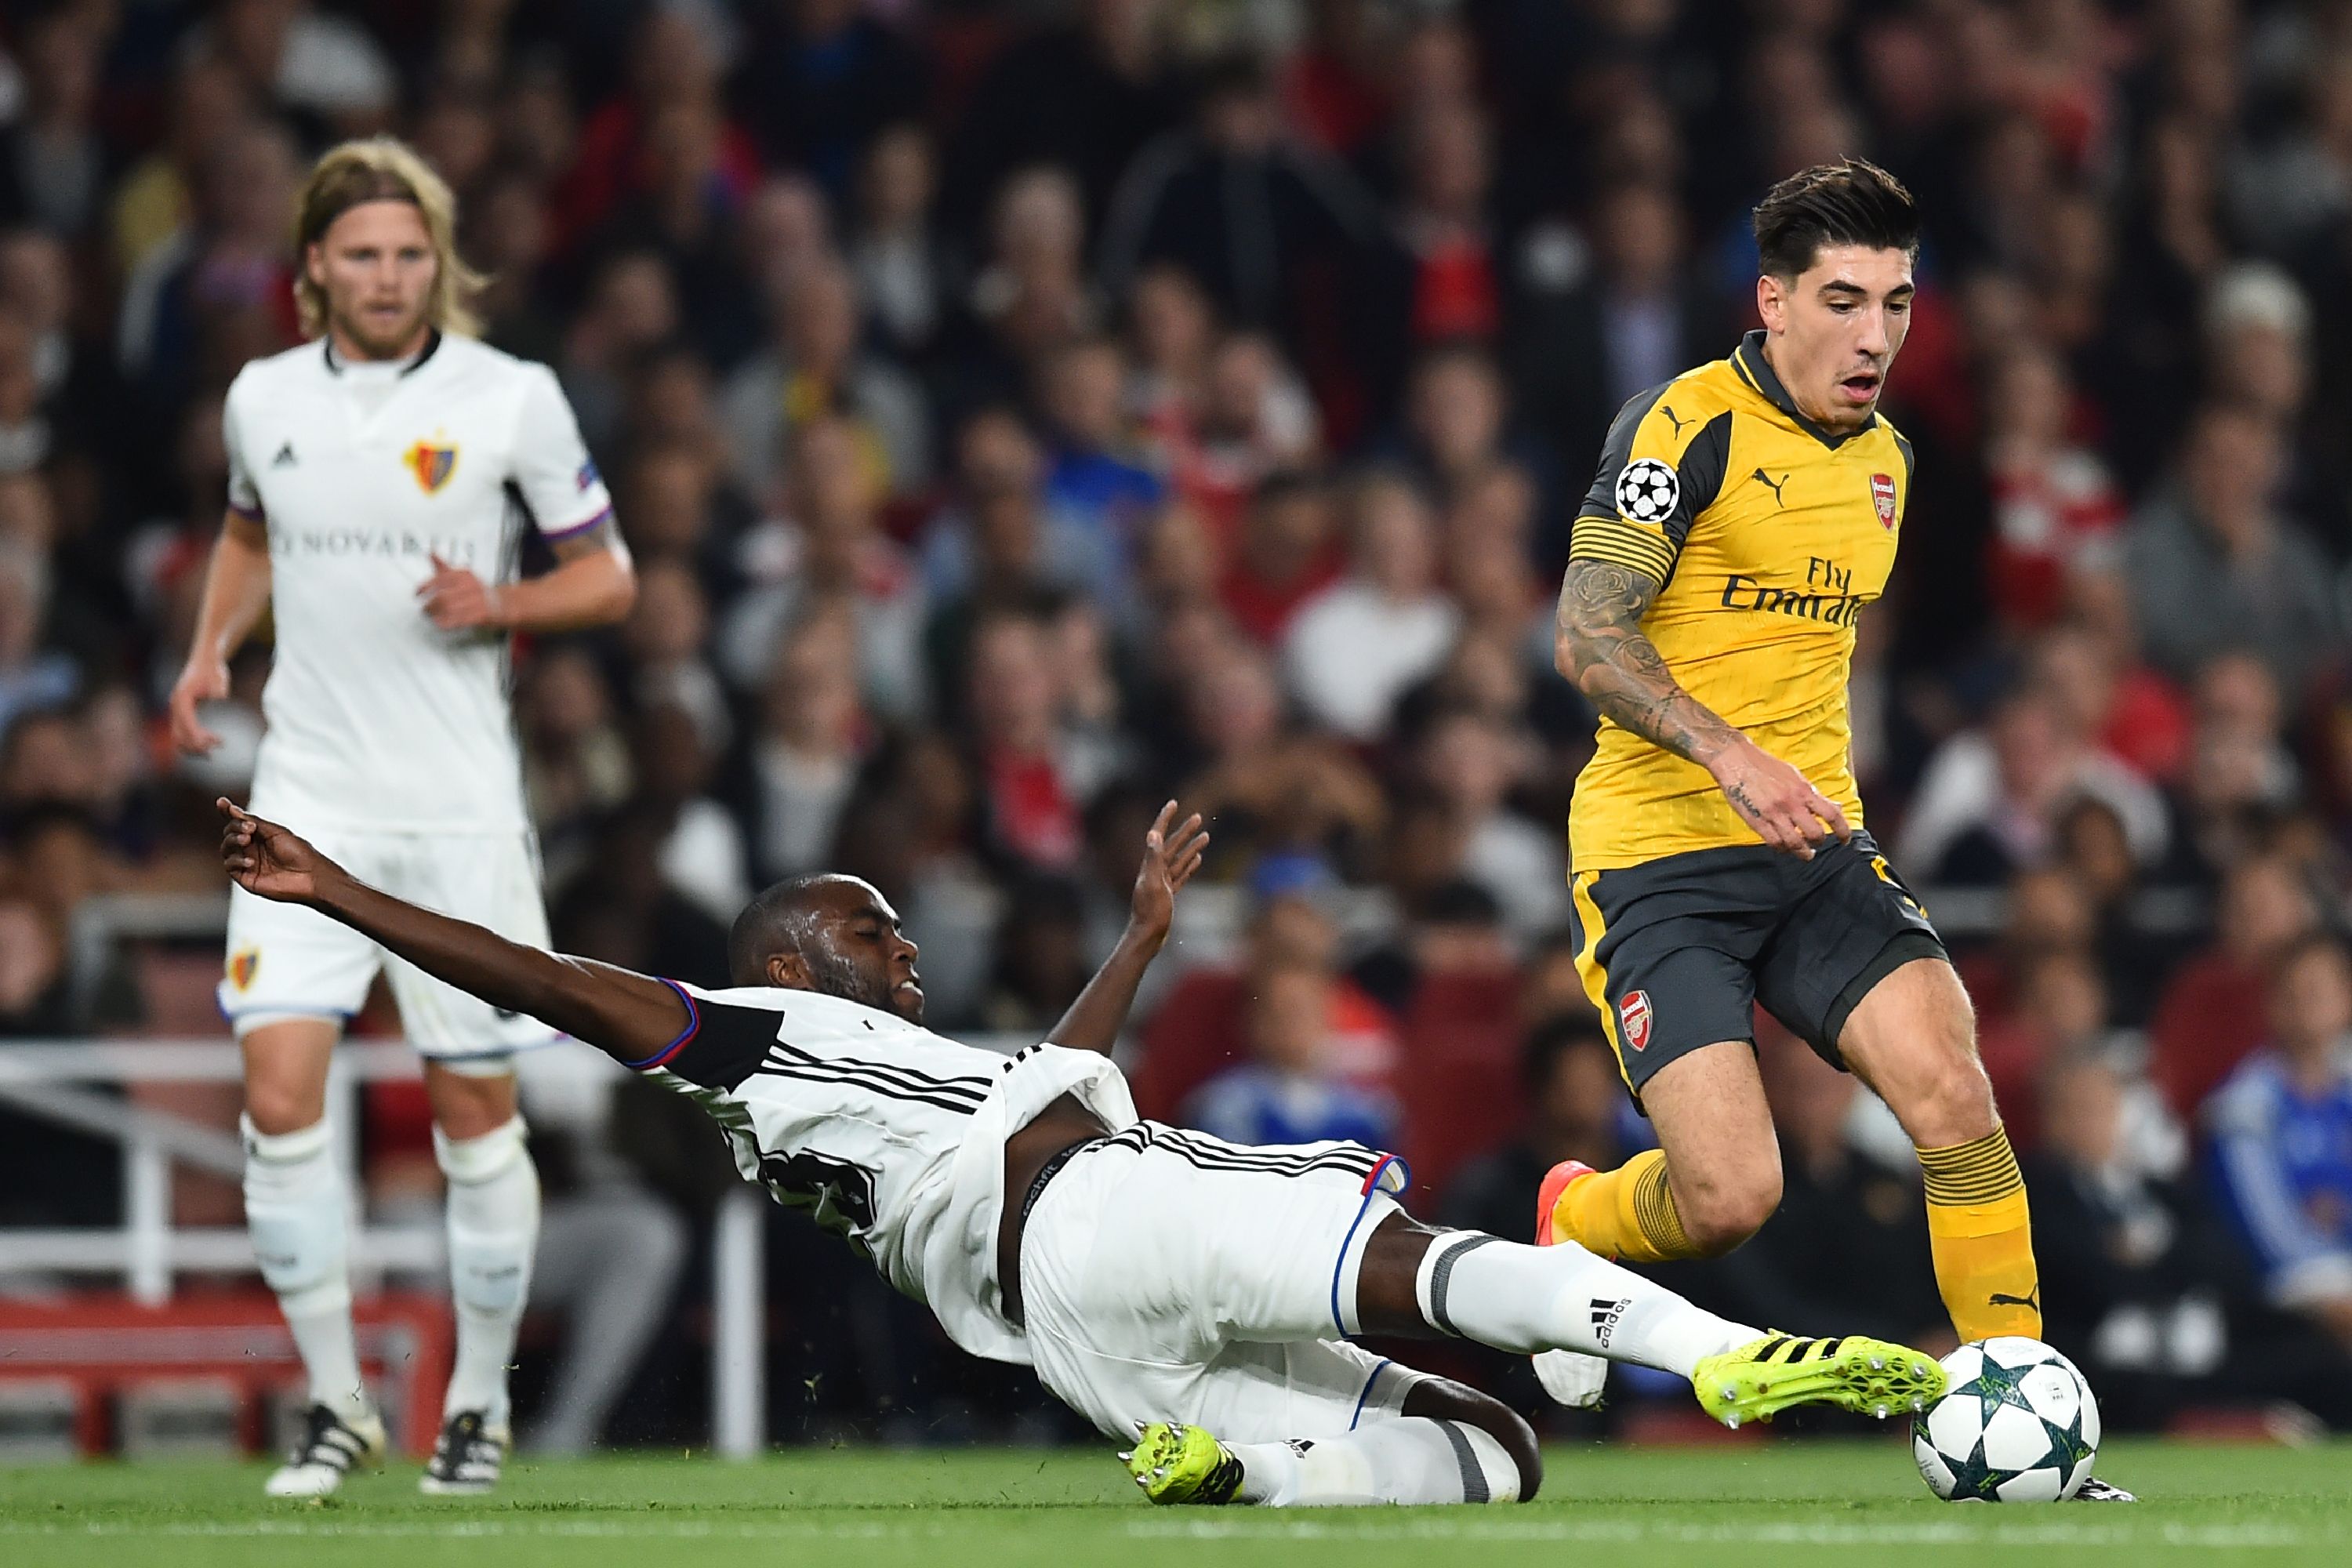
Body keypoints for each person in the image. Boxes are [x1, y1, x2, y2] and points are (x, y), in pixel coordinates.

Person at [216, 795, 1947, 1509]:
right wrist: (344, 898)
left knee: (1495, 1448)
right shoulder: (758, 1033)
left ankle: (1249, 1477)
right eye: (869, 931)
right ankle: (1720, 1359)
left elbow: (1042, 1075)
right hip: (1109, 1206)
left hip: (1071, 1332)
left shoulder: (858, 1082)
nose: (903, 949)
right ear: (787, 965)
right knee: (1413, 1254)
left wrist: (1136, 935)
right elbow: (546, 979)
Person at [1539, 158, 2132, 1502]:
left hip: (1813, 850)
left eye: (1901, 304)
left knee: (1955, 1092)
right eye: (1846, 299)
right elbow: (1586, 633)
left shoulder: (1889, 465)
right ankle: (1571, 1214)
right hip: (1658, 856)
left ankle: (2020, 1402)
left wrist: (1790, 782)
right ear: (1774, 302)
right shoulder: (1682, 424)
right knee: (1733, 1194)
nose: (1876, 335)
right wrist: (1729, 755)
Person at [165, 139, 637, 1498]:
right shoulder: (262, 398)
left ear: (441, 263)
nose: (387, 276)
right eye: (362, 254)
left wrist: (505, 602)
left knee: (474, 1114)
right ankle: (337, 1407)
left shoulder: (512, 400)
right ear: (313, 265)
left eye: (409, 254)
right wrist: (210, 654)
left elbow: (608, 579)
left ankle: (478, 1405)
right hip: (307, 796)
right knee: (274, 1094)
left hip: (458, 813)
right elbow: (251, 533)